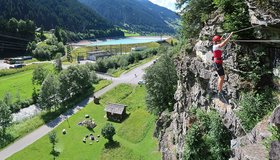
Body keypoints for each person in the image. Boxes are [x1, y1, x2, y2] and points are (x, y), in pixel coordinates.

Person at [212, 32, 233, 100]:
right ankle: (220, 91)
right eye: (219, 40)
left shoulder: (215, 45)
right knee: (222, 77)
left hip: (217, 63)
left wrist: (222, 38)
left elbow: (220, 41)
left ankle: (219, 89)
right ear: (217, 41)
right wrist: (230, 36)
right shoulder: (216, 46)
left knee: (220, 76)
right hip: (218, 63)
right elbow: (223, 43)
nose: (220, 40)